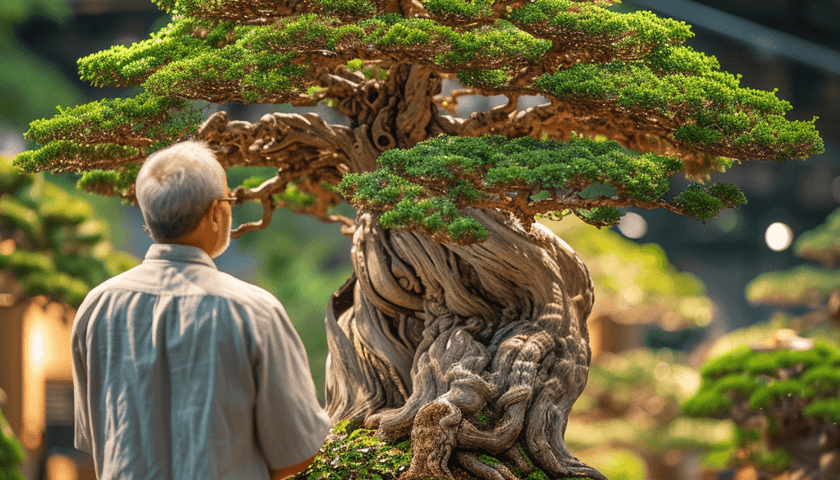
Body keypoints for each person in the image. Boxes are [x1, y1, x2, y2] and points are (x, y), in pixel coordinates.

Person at [71, 140, 332, 480]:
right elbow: (297, 456)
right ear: (214, 212)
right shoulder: (254, 312)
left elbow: (97, 439)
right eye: (229, 199)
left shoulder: (97, 307)